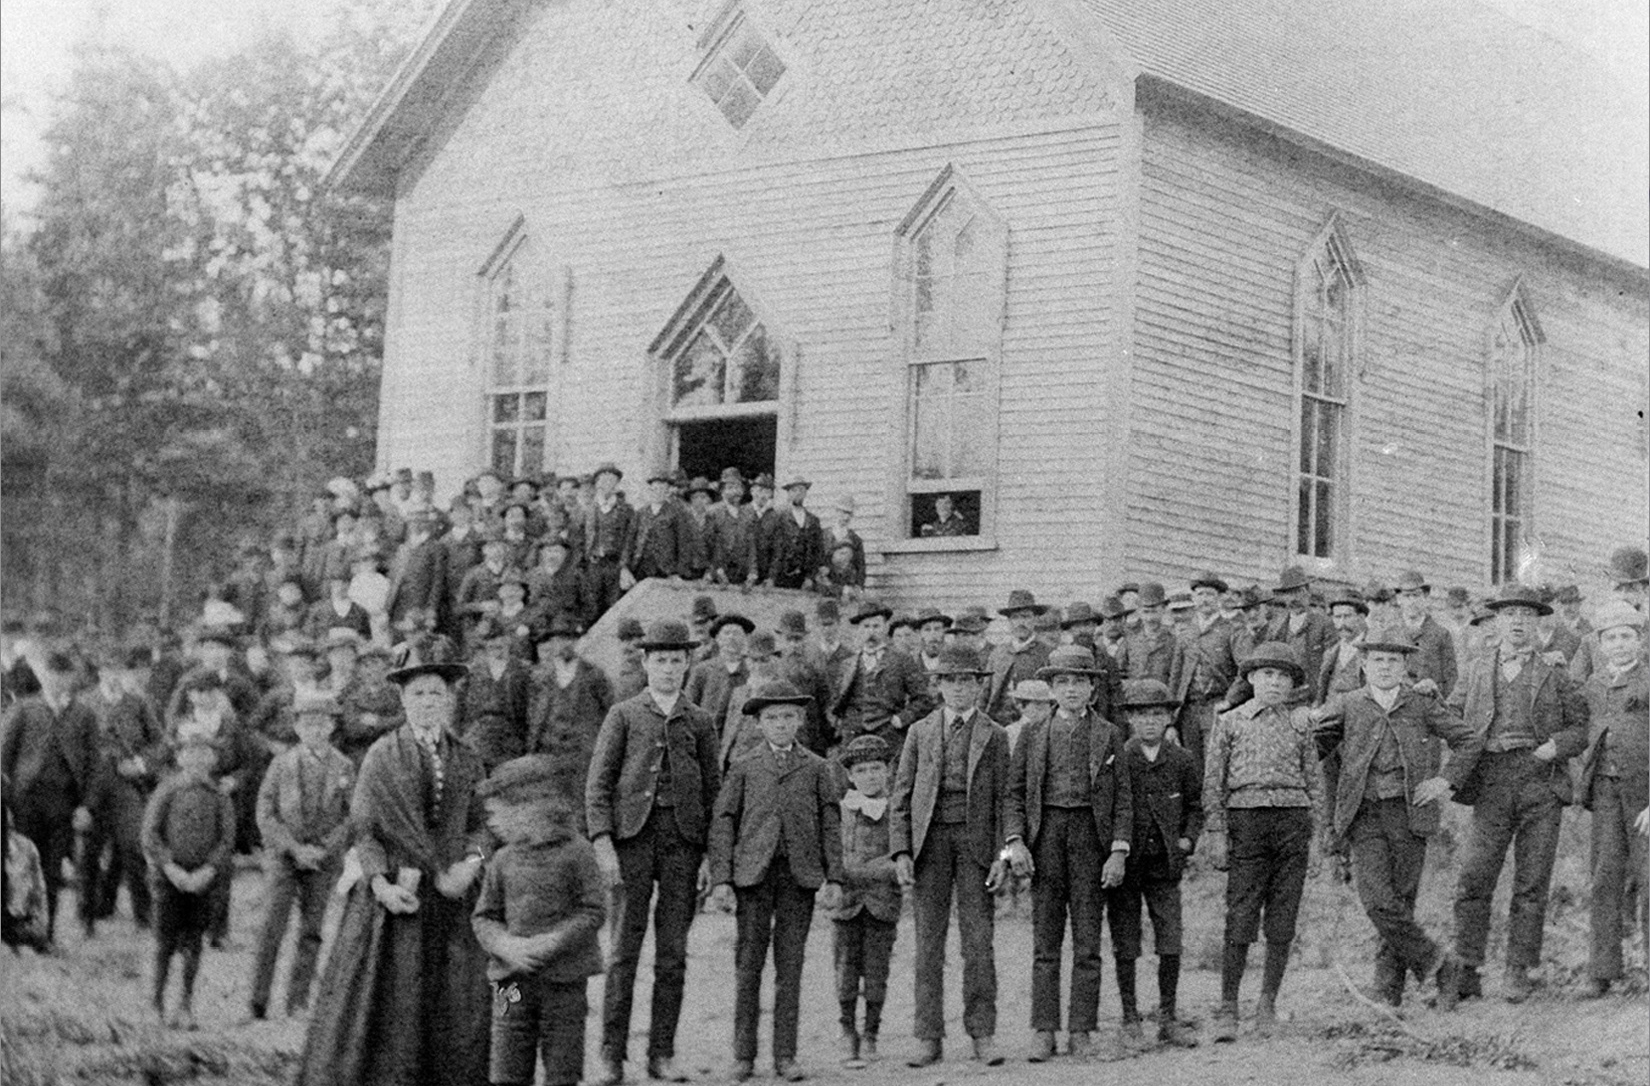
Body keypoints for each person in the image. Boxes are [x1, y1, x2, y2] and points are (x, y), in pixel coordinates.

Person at [295, 655, 492, 1086]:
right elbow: (364, 831)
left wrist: (469, 866)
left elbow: (482, 824)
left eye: (436, 693)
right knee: (391, 1004)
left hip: (453, 898)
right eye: (418, 693)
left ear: (449, 700)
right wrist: (381, 884)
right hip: (397, 899)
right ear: (402, 699)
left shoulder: (467, 757)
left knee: (460, 1001)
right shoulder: (382, 755)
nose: (427, 702)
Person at [1311, 625, 1478, 1010]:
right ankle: (1439, 963)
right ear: (1364, 665)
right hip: (1364, 812)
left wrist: (1445, 781)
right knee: (1376, 900)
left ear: (1405, 666)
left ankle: (1389, 988)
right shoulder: (1349, 703)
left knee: (1401, 902)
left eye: (1393, 660)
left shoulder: (1420, 704)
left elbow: (1468, 740)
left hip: (1410, 812)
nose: (1385, 667)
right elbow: (1317, 746)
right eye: (1377, 660)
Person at [585, 620, 722, 1085]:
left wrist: (708, 855)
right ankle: (610, 1054)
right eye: (659, 659)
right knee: (623, 950)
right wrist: (603, 842)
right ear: (645, 663)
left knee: (673, 954)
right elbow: (598, 785)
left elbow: (713, 792)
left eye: (676, 659)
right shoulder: (623, 715)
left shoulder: (700, 721)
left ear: (687, 663)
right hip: (631, 842)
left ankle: (661, 1053)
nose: (668, 668)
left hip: (683, 843)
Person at [1446, 583, 1588, 1004]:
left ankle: (1517, 970)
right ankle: (1467, 968)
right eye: (1510, 615)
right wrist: (1425, 697)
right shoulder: (1475, 668)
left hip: (1539, 782)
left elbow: (1580, 726)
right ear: (1497, 621)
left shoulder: (1555, 672)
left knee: (1531, 881)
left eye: (1527, 616)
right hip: (1490, 779)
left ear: (1538, 622)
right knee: (1475, 875)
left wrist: (1557, 746)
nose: (1519, 623)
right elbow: (1451, 714)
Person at [708, 678, 845, 1082]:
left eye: (788, 717)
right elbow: (723, 822)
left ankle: (786, 1055)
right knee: (748, 966)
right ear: (757, 723)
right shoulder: (744, 766)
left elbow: (831, 825)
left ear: (801, 720)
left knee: (791, 968)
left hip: (799, 878)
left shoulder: (819, 767)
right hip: (753, 877)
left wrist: (833, 876)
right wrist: (722, 879)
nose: (781, 724)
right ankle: (744, 1055)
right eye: (772, 718)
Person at [1002, 645, 1131, 1062]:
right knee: (1045, 938)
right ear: (1052, 688)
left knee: (1088, 939)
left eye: (1079, 681)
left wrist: (1117, 851)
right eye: (1063, 682)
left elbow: (1123, 799)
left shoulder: (1110, 733)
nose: (1071, 689)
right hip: (1047, 837)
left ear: (1093, 687)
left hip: (1091, 840)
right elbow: (1015, 793)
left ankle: (1081, 1030)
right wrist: (1016, 841)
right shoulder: (1034, 733)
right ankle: (1044, 1029)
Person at [889, 645, 1009, 1068]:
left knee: (978, 942)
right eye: (951, 680)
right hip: (930, 843)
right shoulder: (920, 731)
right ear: (938, 686)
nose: (960, 689)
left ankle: (982, 1033)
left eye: (968, 681)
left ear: (979, 686)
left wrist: (1003, 852)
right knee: (928, 943)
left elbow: (1006, 800)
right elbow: (901, 793)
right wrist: (901, 848)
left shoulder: (994, 734)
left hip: (976, 844)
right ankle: (928, 1036)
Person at [1203, 642, 1322, 1041]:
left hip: (1292, 823)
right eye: (1267, 674)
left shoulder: (1301, 724)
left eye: (1283, 676)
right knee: (1241, 914)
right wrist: (1217, 832)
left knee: (1282, 918)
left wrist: (1318, 836)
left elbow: (1315, 782)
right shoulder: (1230, 721)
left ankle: (1267, 1003)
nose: (1274, 682)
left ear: (1292, 684)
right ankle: (1228, 1007)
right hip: (1246, 823)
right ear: (1252, 678)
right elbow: (1212, 782)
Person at [472, 755, 606, 1086]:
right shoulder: (501, 860)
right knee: (506, 1068)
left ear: (530, 807)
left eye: (497, 812)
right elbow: (484, 917)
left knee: (563, 1070)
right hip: (509, 983)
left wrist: (555, 941)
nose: (492, 822)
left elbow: (594, 911)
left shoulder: (578, 852)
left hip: (564, 983)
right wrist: (505, 945)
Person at [249, 692, 356, 1020]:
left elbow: (352, 816)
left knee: (312, 931)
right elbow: (265, 812)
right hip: (284, 857)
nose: (315, 729)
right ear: (296, 727)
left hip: (322, 860)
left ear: (332, 726)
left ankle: (297, 1000)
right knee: (272, 927)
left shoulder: (344, 766)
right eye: (307, 723)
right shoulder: (281, 764)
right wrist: (293, 849)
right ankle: (258, 1000)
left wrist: (324, 848)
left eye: (321, 723)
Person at [1110, 679, 1203, 1049]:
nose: (1150, 722)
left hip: (1165, 865)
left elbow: (1195, 807)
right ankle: (1130, 1017)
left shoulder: (1182, 759)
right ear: (1130, 719)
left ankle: (1168, 1016)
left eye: (1157, 714)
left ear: (1169, 717)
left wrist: (1186, 840)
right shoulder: (1119, 757)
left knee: (1170, 939)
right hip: (1128, 865)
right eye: (1141, 715)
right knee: (1126, 941)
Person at [1, 651, 102, 943]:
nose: (58, 682)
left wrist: (87, 806)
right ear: (43, 676)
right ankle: (12, 931)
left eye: (64, 676)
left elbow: (95, 766)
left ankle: (45, 933)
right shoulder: (24, 709)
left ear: (72, 678)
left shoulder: (85, 715)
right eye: (52, 675)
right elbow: (3, 757)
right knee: (20, 867)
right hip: (25, 800)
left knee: (52, 870)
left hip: (64, 804)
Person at [1574, 600, 1647, 997]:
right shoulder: (1594, 684)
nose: (1619, 644)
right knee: (1604, 878)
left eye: (1626, 636)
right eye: (1611, 638)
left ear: (1639, 640)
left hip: (1645, 799)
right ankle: (1601, 970)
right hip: (1605, 792)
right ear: (1600, 644)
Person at [142, 735, 236, 1028]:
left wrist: (208, 870)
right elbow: (150, 834)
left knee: (194, 942)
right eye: (190, 753)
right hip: (168, 880)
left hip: (203, 882)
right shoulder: (167, 790)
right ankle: (156, 1003)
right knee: (164, 942)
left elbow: (227, 838)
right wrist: (171, 869)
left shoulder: (219, 796)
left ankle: (186, 1003)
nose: (196, 760)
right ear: (180, 758)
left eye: (203, 754)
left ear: (213, 760)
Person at [830, 734, 901, 1070]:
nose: (871, 775)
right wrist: (843, 873)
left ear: (888, 771)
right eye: (863, 770)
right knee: (845, 969)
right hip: (846, 903)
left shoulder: (898, 810)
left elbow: (902, 858)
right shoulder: (840, 810)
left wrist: (869, 870)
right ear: (850, 776)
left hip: (882, 902)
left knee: (877, 970)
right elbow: (832, 855)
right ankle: (847, 1031)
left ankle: (871, 1032)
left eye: (877, 768)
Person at [89, 645, 169, 929]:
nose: (114, 676)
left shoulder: (138, 703)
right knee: (92, 847)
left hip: (128, 784)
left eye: (119, 671)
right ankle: (98, 906)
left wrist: (141, 764)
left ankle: (144, 913)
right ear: (99, 672)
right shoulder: (86, 703)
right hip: (93, 787)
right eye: (108, 670)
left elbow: (161, 744)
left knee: (133, 844)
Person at [830, 601, 934, 763]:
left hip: (889, 734)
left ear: (885, 628)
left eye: (876, 626)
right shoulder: (847, 664)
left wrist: (901, 719)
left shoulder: (901, 660)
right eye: (866, 626)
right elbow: (835, 701)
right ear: (858, 629)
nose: (871, 632)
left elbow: (924, 700)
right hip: (853, 736)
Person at [524, 614, 613, 788]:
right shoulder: (542, 677)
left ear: (579, 642)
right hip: (549, 749)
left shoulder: (594, 675)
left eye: (570, 639)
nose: (565, 644)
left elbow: (610, 713)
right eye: (559, 639)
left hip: (582, 753)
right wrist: (531, 749)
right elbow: (533, 716)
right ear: (552, 643)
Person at [1173, 571, 1241, 774]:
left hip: (1216, 707)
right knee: (1190, 767)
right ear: (1193, 599)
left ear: (1219, 598)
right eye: (1200, 594)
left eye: (1210, 594)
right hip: (1188, 710)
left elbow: (1245, 670)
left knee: (1215, 766)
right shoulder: (1185, 633)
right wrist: (1171, 718)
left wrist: (1229, 700)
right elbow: (1176, 677)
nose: (1205, 600)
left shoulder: (1231, 630)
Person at [461, 616, 534, 771]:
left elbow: (533, 709)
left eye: (500, 642)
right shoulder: (474, 671)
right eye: (491, 643)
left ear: (508, 641)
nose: (496, 646)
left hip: (512, 736)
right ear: (485, 644)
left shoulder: (524, 670)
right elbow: (459, 708)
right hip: (479, 734)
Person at [1267, 567, 1337, 704]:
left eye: (1298, 592)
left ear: (1307, 593)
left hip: (1313, 700)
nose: (1294, 598)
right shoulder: (1276, 627)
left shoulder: (1324, 624)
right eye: (1289, 593)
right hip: (1282, 698)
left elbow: (1332, 668)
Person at [983, 590, 1054, 725]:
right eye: (1015, 617)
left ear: (1035, 619)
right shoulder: (998, 653)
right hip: (997, 724)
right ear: (1009, 621)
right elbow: (985, 693)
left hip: (1034, 724)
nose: (1021, 622)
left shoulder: (1048, 653)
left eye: (1026, 617)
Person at [577, 463, 634, 620]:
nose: (606, 484)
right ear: (596, 484)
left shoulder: (626, 510)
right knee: (592, 606)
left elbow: (630, 541)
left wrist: (624, 566)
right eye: (602, 480)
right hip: (593, 565)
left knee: (614, 607)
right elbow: (580, 539)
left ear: (617, 484)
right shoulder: (588, 509)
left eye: (611, 480)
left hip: (614, 565)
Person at [1393, 571, 1459, 698]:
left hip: (1429, 706)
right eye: (1407, 596)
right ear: (1399, 599)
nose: (1412, 601)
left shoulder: (1441, 634)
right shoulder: (1390, 633)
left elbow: (1451, 680)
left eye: (1416, 595)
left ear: (1426, 597)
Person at [622, 472, 690, 589]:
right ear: (649, 491)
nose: (657, 493)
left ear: (668, 492)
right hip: (641, 566)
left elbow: (683, 545)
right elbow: (629, 541)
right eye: (654, 489)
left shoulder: (676, 513)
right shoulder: (640, 513)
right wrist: (624, 567)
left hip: (665, 569)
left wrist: (678, 572)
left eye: (662, 489)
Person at [765, 479, 823, 590]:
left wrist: (810, 577)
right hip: (780, 575)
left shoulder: (813, 520)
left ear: (805, 493)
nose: (797, 493)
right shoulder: (779, 516)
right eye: (794, 490)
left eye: (801, 490)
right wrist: (771, 577)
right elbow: (770, 546)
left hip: (803, 578)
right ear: (789, 493)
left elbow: (818, 551)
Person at [1126, 583, 1183, 688]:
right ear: (1138, 611)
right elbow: (1120, 673)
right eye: (1146, 612)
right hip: (1135, 700)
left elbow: (1178, 677)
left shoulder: (1174, 641)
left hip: (1163, 700)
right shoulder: (1129, 640)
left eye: (1154, 612)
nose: (1150, 618)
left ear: (1163, 609)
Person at [819, 496, 866, 595]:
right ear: (836, 511)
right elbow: (816, 562)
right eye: (843, 512)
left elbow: (861, 568)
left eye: (850, 514)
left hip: (847, 590)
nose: (846, 517)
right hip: (825, 587)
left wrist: (858, 589)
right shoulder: (823, 536)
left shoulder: (855, 540)